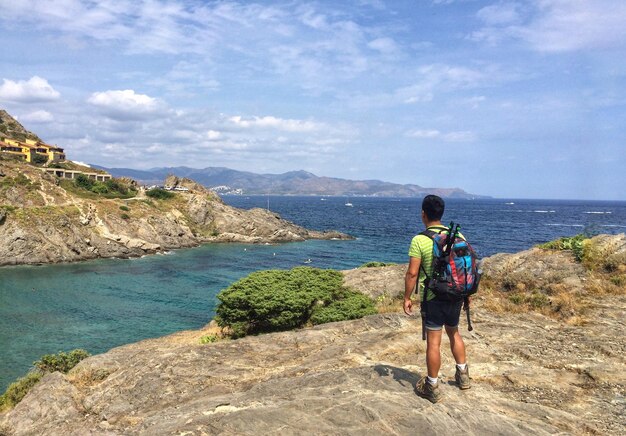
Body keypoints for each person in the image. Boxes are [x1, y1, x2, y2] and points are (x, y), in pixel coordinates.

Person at [403, 195, 470, 403]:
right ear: (441, 214)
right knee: (454, 332)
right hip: (456, 295)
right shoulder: (458, 235)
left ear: (423, 214)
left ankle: (431, 386)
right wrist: (467, 296)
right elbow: (465, 269)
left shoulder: (419, 240)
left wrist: (407, 297)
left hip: (433, 296)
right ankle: (463, 376)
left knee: (434, 342)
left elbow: (412, 273)